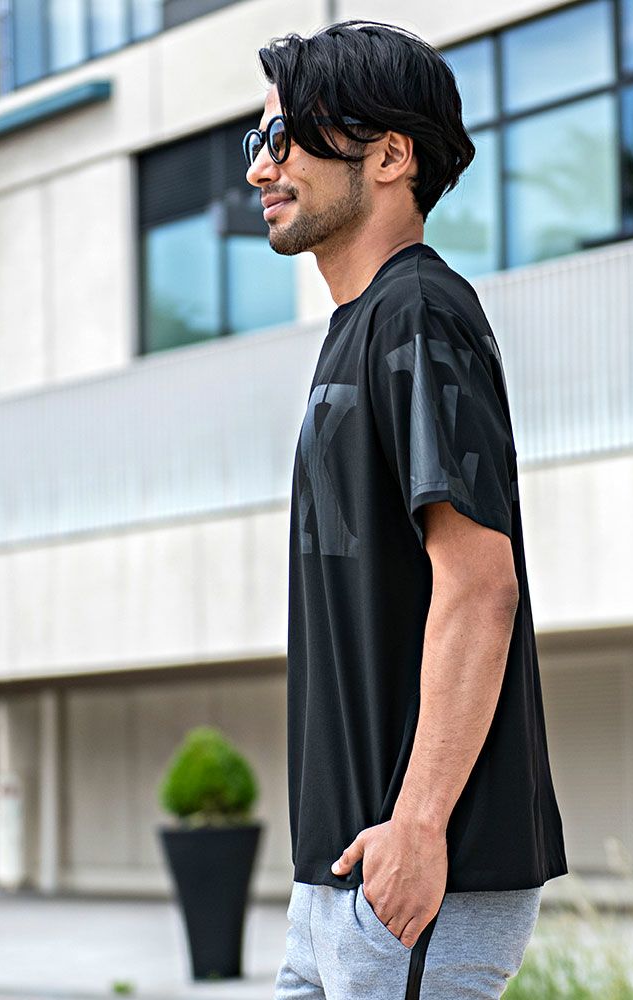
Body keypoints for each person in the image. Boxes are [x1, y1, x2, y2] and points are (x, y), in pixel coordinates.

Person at [244, 19, 568, 1000]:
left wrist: (419, 824)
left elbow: (479, 585)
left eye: (285, 136)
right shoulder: (361, 327)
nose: (261, 167)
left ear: (390, 156)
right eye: (257, 139)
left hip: (417, 876)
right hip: (344, 872)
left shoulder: (419, 313)